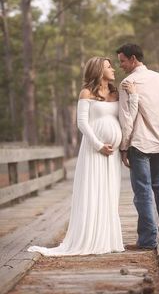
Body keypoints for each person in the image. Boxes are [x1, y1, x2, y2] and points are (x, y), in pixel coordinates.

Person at [28, 56, 138, 256]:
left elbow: (127, 116)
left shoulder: (116, 92)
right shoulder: (86, 93)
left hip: (112, 154)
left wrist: (133, 97)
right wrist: (98, 145)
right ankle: (89, 237)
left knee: (110, 193)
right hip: (94, 151)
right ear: (98, 70)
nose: (113, 69)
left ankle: (107, 238)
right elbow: (82, 123)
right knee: (93, 191)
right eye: (108, 66)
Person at [117, 44, 159, 250]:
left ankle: (147, 240)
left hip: (140, 143)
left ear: (133, 59)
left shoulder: (128, 83)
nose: (120, 66)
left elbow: (127, 118)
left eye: (122, 61)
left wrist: (123, 147)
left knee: (142, 191)